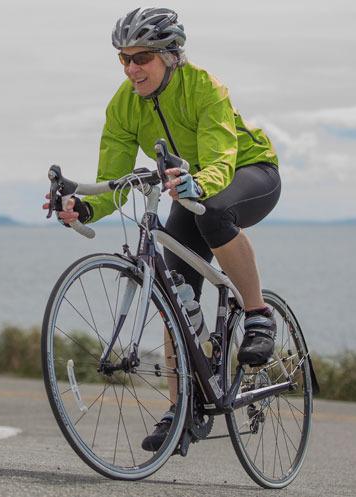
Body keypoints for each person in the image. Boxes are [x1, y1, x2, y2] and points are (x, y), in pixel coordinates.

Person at [44, 7, 281, 451]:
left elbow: (221, 156)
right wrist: (83, 208)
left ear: (171, 55)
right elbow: (112, 179)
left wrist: (199, 183)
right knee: (175, 289)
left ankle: (257, 316)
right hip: (187, 188)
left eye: (142, 58)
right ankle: (184, 406)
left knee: (211, 212)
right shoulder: (122, 104)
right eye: (124, 58)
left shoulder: (204, 87)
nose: (132, 68)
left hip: (247, 172)